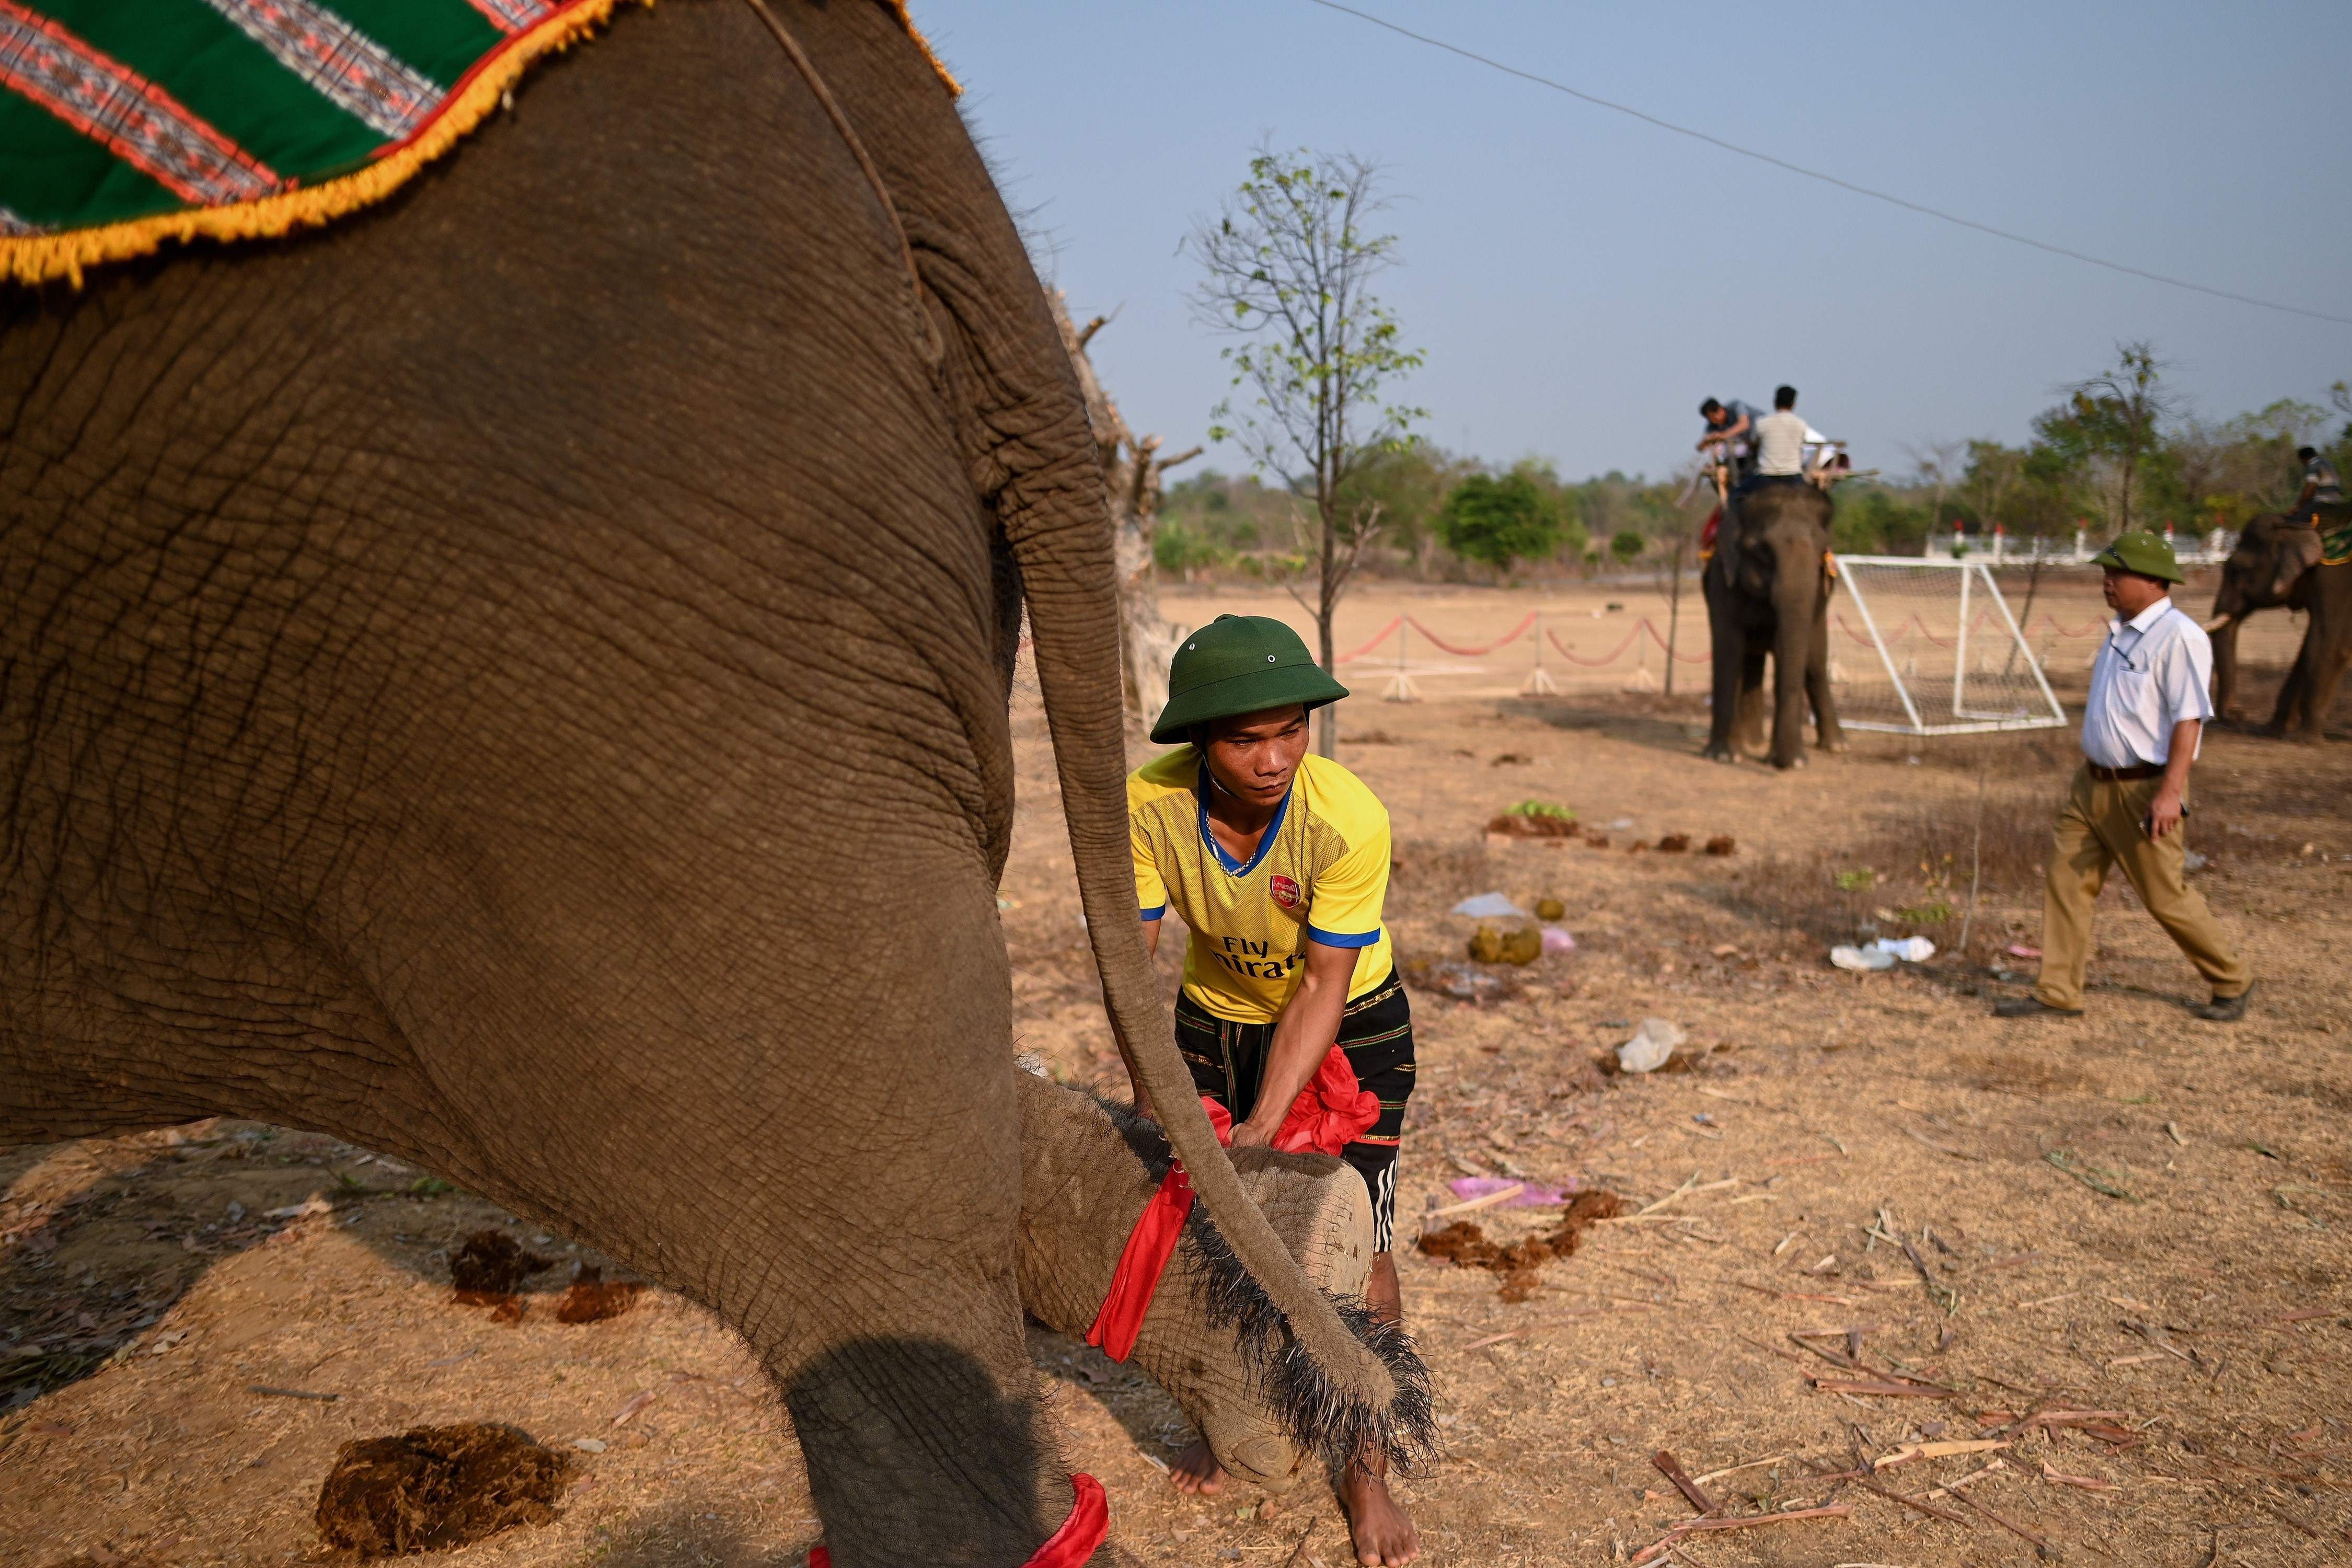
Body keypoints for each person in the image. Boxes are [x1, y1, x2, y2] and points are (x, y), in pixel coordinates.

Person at [1128, 614, 1421, 1567]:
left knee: (1359, 1238)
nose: (1273, 758)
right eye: (1246, 738)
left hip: (1348, 1029)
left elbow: (1323, 990)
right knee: (1209, 1229)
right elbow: (1128, 968)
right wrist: (1151, 1089)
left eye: (1290, 729)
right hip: (1213, 1024)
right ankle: (1227, 1412)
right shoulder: (1149, 806)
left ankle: (1363, 1457)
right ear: (1197, 742)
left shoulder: (1345, 817)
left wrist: (1259, 1128)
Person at [1995, 530, 2252, 1022]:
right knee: (2066, 881)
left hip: (2145, 790)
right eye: (2105, 573)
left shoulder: (2180, 636)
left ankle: (2232, 979)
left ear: (2155, 580)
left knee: (2163, 896)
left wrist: (2170, 794)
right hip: (2090, 785)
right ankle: (2058, 993)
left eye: (2118, 573)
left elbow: (2189, 719)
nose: (2107, 582)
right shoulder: (2119, 630)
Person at [1696, 396, 1767, 490]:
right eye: (1711, 419)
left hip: (1765, 440)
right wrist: (1707, 440)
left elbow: (1744, 424)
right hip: (1751, 450)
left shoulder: (1736, 406)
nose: (1714, 421)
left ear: (1720, 410)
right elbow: (1701, 447)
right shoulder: (1713, 425)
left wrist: (1723, 435)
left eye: (1714, 417)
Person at [1752, 385, 1811, 484]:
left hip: (1767, 476)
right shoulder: (1801, 424)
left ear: (1775, 402)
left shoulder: (1761, 423)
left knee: (1737, 494)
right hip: (1793, 476)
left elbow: (1754, 443)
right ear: (1793, 404)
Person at [2291, 444, 2343, 523]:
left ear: (2304, 459)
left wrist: (2298, 506)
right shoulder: (2327, 464)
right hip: (2337, 500)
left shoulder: (2313, 465)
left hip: (2323, 502)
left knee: (2295, 520)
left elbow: (2311, 487)